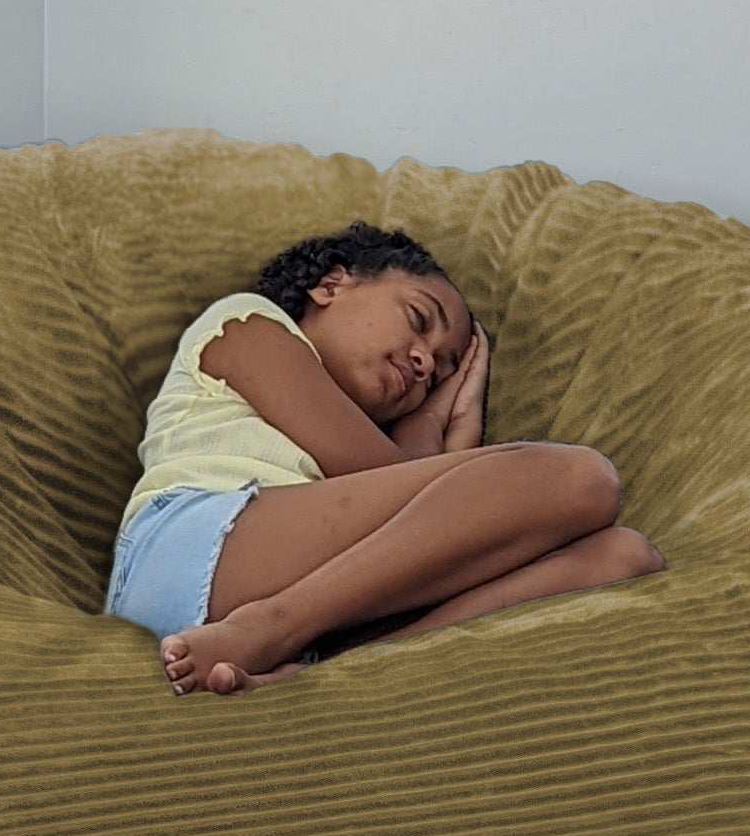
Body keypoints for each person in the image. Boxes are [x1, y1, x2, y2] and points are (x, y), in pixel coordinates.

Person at [107, 221, 665, 695]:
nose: (425, 362)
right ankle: (271, 626)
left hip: (302, 608)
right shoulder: (249, 325)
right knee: (577, 477)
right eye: (418, 320)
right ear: (332, 284)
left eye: (444, 372)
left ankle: (318, 673)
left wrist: (449, 429)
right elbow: (378, 471)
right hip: (191, 547)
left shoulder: (369, 470)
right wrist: (444, 419)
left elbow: (416, 504)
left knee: (622, 556)